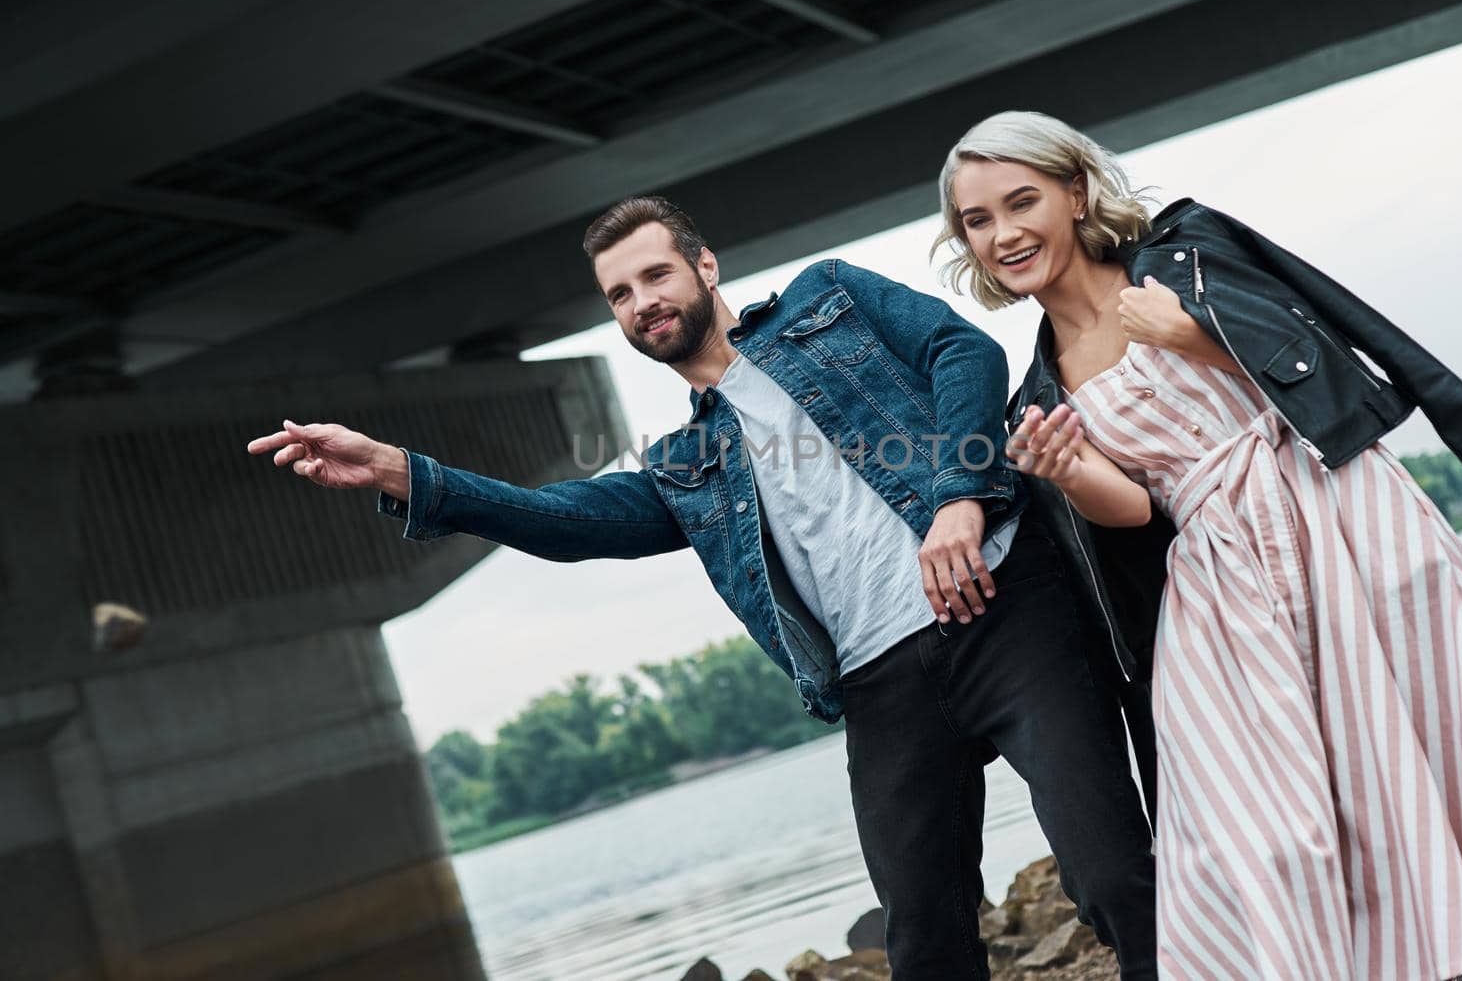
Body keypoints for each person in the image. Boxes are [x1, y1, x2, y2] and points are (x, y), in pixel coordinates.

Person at [247, 196, 1159, 979]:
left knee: (1112, 869)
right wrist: (405, 473)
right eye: (621, 294)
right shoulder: (688, 466)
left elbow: (964, 354)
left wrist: (959, 499)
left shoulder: (830, 300)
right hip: (883, 684)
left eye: (655, 276)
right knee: (923, 941)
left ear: (704, 266)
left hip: (1004, 608)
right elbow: (565, 522)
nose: (644, 302)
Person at [933, 110, 1462, 980]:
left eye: (1021, 202)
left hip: (1337, 512)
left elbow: (1330, 360)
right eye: (977, 221)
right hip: (1216, 570)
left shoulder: (1185, 253)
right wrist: (1065, 472)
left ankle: (1443, 941)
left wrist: (1192, 337)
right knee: (1253, 810)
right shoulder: (1036, 386)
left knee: (1403, 737)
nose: (1004, 234)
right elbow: (1137, 511)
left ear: (1078, 191)